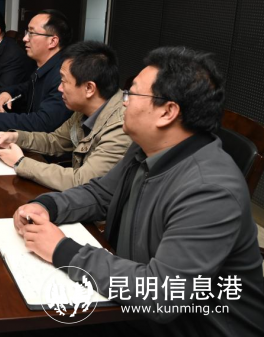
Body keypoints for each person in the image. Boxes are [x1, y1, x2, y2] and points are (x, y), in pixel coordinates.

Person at [14, 47, 264, 336]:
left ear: (167, 112)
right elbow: (100, 194)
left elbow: (162, 295)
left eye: (131, 94)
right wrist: (48, 206)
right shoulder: (146, 147)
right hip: (130, 303)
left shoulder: (210, 189)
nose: (123, 103)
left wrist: (63, 251)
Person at [0, 41, 131, 191]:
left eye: (63, 81)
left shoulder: (121, 126)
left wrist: (20, 162)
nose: (59, 88)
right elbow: (55, 141)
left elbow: (82, 181)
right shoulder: (85, 108)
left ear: (89, 88)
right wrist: (16, 137)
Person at [0, 9, 71, 132]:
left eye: (31, 33)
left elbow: (43, 122)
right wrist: (8, 93)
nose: (25, 38)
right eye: (27, 32)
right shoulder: (45, 66)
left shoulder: (64, 74)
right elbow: (28, 87)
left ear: (52, 41)